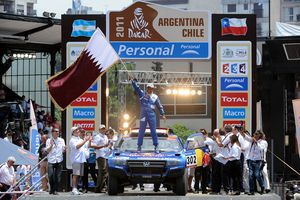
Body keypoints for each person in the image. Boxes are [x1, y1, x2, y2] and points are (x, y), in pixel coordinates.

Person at [129, 74, 166, 153]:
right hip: (143, 114)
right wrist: (132, 80)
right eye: (148, 88)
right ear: (146, 88)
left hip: (152, 114)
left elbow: (159, 106)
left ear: (152, 89)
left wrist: (163, 114)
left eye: (150, 88)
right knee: (141, 130)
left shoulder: (155, 97)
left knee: (153, 131)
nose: (149, 89)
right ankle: (139, 146)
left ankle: (156, 146)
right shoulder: (142, 94)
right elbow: (136, 88)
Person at [240, 129, 265, 195]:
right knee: (250, 176)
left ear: (258, 135)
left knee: (257, 175)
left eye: (255, 133)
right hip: (251, 161)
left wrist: (256, 142)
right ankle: (252, 190)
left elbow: (261, 148)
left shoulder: (262, 142)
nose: (254, 134)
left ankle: (262, 186)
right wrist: (242, 132)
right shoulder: (252, 141)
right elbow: (246, 137)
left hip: (258, 161)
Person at [69, 127, 90, 195]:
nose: (78, 131)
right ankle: (74, 189)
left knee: (78, 175)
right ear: (73, 132)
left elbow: (87, 146)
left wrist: (88, 140)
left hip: (81, 160)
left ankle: (76, 189)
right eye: (76, 130)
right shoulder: (72, 140)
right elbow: (77, 146)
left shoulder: (79, 139)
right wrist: (84, 141)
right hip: (76, 159)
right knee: (75, 174)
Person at [46, 128, 67, 195]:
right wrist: (51, 145)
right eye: (56, 131)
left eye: (58, 131)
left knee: (58, 176)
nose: (57, 132)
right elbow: (48, 151)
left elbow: (63, 150)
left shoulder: (61, 140)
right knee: (50, 175)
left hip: (59, 159)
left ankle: (55, 189)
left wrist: (64, 149)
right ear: (52, 132)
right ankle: (52, 188)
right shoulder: (49, 140)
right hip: (51, 160)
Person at [91, 125, 109, 193]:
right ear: (99, 130)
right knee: (102, 172)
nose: (103, 130)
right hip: (101, 156)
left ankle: (99, 187)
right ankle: (100, 187)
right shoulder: (98, 137)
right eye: (102, 129)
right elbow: (95, 146)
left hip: (106, 155)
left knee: (104, 172)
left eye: (104, 129)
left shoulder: (105, 136)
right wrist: (104, 145)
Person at [193, 128, 210, 194]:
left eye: (203, 133)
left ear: (206, 134)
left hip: (205, 160)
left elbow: (210, 150)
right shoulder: (197, 141)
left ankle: (204, 189)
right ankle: (196, 189)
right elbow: (194, 149)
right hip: (198, 160)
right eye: (201, 133)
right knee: (197, 175)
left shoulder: (209, 141)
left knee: (205, 175)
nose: (202, 135)